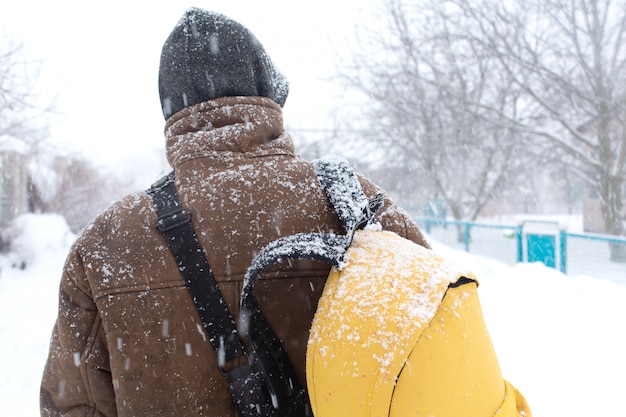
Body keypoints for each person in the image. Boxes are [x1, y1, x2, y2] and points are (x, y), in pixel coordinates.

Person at [40, 8, 429, 416]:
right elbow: (448, 338)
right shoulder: (351, 202)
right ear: (267, 92)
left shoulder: (107, 243)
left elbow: (71, 405)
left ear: (171, 111)